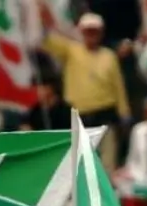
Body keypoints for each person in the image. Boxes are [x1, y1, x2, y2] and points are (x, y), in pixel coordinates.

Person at [42, 11, 131, 172]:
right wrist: (42, 20)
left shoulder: (109, 56)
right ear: (82, 32)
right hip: (79, 118)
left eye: (95, 31)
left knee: (106, 165)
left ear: (101, 33)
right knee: (80, 164)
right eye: (88, 31)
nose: (91, 35)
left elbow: (118, 86)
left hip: (105, 116)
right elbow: (46, 42)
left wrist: (124, 112)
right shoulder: (71, 50)